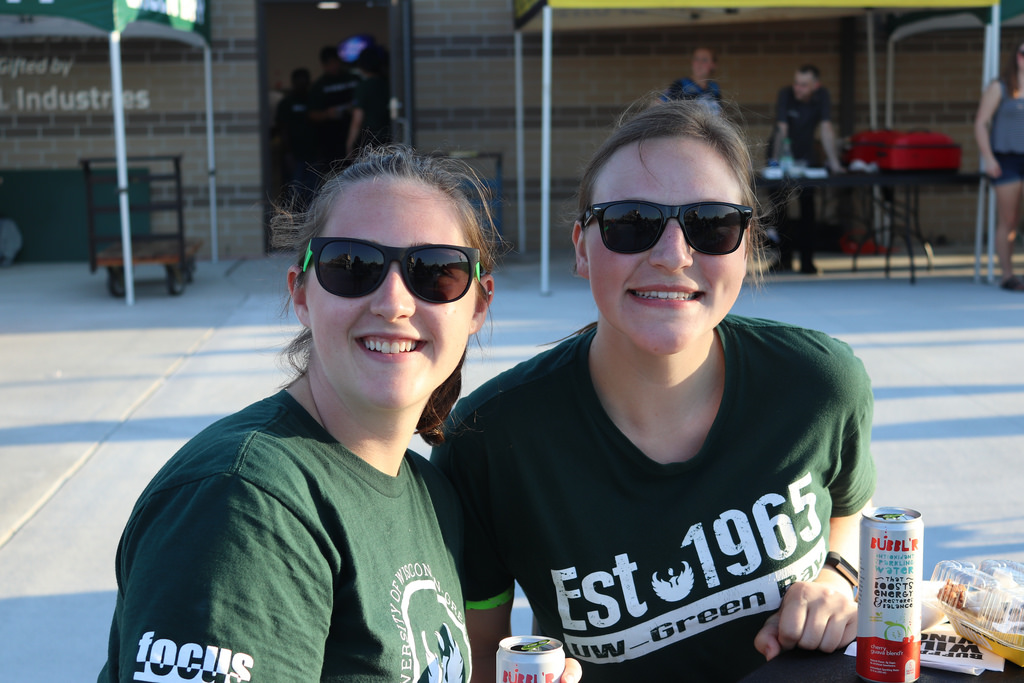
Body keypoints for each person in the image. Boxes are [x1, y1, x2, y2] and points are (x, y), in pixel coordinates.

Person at [433, 99, 876, 683]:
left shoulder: (819, 383)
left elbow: (851, 503)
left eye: (712, 224)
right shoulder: (489, 440)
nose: (672, 256)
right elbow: (477, 653)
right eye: (630, 223)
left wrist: (837, 577)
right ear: (582, 248)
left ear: (745, 246)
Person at [98, 146, 513, 682]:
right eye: (352, 266)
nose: (393, 302)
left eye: (435, 272)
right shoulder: (243, 504)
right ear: (301, 292)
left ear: (478, 305)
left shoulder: (432, 495)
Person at [770, 64, 844, 274]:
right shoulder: (785, 94)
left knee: (808, 208)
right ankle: (783, 260)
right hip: (781, 153)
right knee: (780, 208)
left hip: (807, 156)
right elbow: (781, 129)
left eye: (803, 85)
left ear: (815, 86)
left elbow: (826, 127)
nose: (798, 88)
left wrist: (835, 162)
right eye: (796, 83)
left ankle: (807, 261)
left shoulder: (822, 97)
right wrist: (777, 162)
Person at [974, 40, 1024, 292]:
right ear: (1016, 56)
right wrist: (989, 158)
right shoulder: (1001, 87)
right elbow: (981, 123)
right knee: (1009, 219)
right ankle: (1007, 274)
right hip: (1006, 159)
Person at [308, 45, 359, 172]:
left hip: (356, 134)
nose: (334, 66)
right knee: (334, 173)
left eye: (336, 62)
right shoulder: (319, 86)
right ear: (324, 65)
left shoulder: (353, 78)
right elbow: (312, 114)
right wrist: (327, 114)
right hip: (331, 139)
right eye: (330, 63)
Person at [275, 67, 318, 208]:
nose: (302, 84)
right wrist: (287, 153)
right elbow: (282, 129)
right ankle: (293, 225)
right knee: (294, 193)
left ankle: (312, 224)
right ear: (293, 82)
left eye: (305, 81)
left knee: (313, 193)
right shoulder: (286, 103)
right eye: (299, 81)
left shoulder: (314, 100)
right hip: (294, 153)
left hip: (313, 153)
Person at [346, 45, 392, 158]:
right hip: (390, 135)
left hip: (371, 138)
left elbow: (357, 119)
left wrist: (349, 143)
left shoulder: (363, 87)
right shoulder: (388, 83)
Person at [662, 46, 722, 115]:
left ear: (713, 65)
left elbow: (720, 113)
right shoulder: (681, 84)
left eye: (704, 60)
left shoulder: (714, 87)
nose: (699, 63)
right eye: (696, 59)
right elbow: (657, 104)